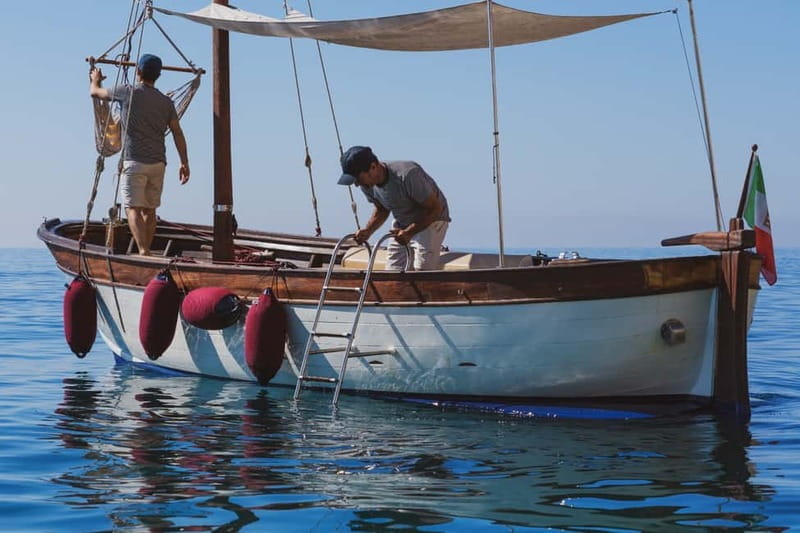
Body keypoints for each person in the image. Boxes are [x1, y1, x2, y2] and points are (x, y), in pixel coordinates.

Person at [89, 54, 190, 256]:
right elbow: (177, 133)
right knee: (150, 210)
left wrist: (95, 79)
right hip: (158, 164)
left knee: (132, 208)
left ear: (138, 71)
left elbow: (95, 93)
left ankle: (143, 251)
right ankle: (146, 250)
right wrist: (184, 162)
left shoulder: (127, 92)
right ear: (158, 75)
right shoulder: (166, 103)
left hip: (134, 162)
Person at [338, 146, 450, 270]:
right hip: (402, 223)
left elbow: (435, 209)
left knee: (421, 269)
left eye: (358, 179)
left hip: (432, 220)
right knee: (393, 269)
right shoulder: (367, 185)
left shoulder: (408, 175)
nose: (356, 184)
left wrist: (409, 232)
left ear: (373, 167)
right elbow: (381, 209)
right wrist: (368, 231)